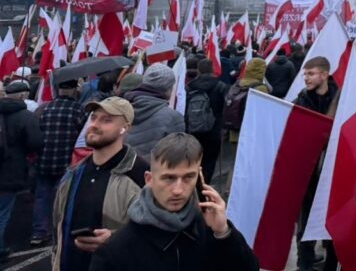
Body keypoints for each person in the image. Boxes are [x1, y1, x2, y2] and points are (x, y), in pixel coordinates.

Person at [90, 133, 259, 271]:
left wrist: (223, 232)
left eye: (188, 177)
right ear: (149, 179)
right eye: (169, 178)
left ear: (199, 178)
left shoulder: (211, 231)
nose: (178, 190)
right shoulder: (117, 250)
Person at [51, 97, 148, 271]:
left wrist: (116, 239)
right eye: (94, 118)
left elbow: (157, 233)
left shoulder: (140, 175)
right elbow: (58, 230)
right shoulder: (73, 173)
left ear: (125, 128)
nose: (95, 125)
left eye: (106, 120)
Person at [293, 56, 339, 271]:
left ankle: (331, 263)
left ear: (324, 74)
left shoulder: (342, 99)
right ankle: (305, 263)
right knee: (306, 220)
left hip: (333, 170)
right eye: (305, 74)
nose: (306, 78)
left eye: (311, 74)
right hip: (308, 171)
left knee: (332, 218)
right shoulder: (301, 101)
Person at [33, 78, 88, 246]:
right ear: (73, 90)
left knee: (42, 197)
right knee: (62, 198)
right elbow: (83, 136)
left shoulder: (44, 108)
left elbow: (36, 132)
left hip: (44, 160)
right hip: (66, 161)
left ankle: (39, 232)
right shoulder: (78, 109)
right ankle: (59, 231)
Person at [0, 79, 42, 261]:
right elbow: (36, 142)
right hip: (11, 172)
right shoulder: (25, 116)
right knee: (2, 212)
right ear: (23, 95)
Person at [125, 64, 186, 159]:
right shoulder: (173, 118)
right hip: (153, 168)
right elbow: (175, 157)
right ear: (168, 88)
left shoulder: (121, 108)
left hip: (122, 166)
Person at [185, 59, 226, 185]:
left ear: (199, 70)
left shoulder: (190, 86)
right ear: (212, 69)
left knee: (194, 159)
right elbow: (224, 108)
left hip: (193, 128)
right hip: (213, 129)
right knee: (209, 161)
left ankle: (192, 183)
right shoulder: (220, 86)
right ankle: (203, 185)